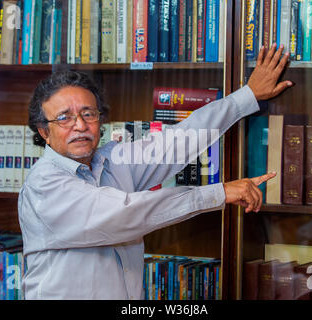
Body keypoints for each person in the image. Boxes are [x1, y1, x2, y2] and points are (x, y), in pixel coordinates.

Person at [18, 44, 292, 299]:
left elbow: (178, 141)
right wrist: (219, 193)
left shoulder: (111, 160)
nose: (79, 125)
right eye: (64, 117)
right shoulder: (43, 184)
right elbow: (125, 214)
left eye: (88, 114)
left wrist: (247, 96)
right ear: (44, 131)